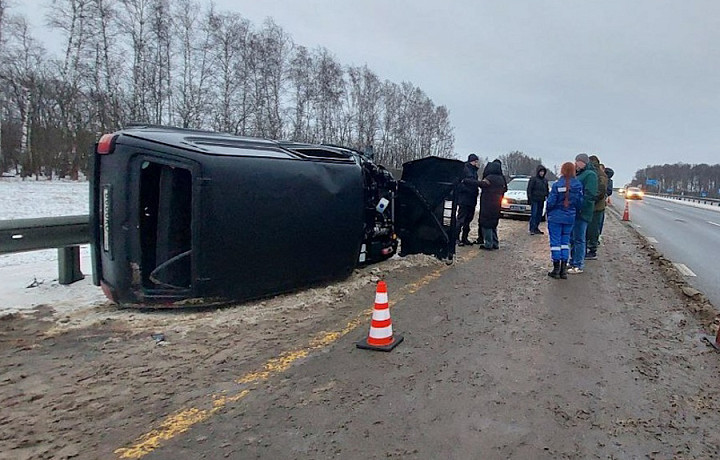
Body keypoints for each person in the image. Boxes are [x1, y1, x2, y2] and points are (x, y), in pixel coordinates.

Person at [546, 162, 583, 279]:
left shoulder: (557, 185)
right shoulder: (577, 185)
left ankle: (556, 269)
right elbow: (580, 202)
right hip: (569, 217)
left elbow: (551, 201)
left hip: (556, 217)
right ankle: (563, 270)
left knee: (555, 243)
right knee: (565, 242)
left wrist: (549, 210)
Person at [568, 153, 598, 274]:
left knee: (579, 238)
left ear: (583, 162)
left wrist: (581, 206)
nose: (575, 164)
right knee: (573, 238)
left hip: (582, 212)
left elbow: (590, 194)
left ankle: (578, 264)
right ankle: (573, 261)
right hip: (575, 211)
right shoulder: (580, 174)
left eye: (577, 161)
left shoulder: (590, 175)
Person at [476, 159, 507, 250]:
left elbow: (481, 184)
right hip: (497, 203)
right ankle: (495, 243)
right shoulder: (502, 178)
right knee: (493, 224)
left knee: (486, 224)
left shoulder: (490, 178)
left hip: (487, 203)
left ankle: (488, 244)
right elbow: (505, 189)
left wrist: (468, 181)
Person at [585, 155, 608, 260]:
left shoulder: (600, 175)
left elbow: (601, 192)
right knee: (588, 229)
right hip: (591, 206)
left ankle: (592, 249)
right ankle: (587, 247)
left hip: (596, 207)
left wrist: (591, 199)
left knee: (593, 229)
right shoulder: (593, 173)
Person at [456, 154, 481, 246]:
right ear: (471, 161)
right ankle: (456, 238)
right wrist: (469, 189)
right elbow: (462, 183)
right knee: (461, 219)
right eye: (475, 161)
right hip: (465, 199)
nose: (476, 163)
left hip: (471, 199)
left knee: (468, 220)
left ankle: (464, 238)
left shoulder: (474, 171)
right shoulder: (465, 170)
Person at [527, 164, 549, 235]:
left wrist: (548, 196)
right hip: (534, 199)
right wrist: (529, 199)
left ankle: (536, 228)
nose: (542, 173)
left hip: (541, 199)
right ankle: (532, 229)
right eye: (540, 172)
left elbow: (547, 190)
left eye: (543, 172)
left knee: (539, 215)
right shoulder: (533, 179)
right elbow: (529, 189)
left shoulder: (545, 180)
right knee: (534, 214)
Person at [599, 167, 614, 236]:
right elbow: (609, 191)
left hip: (599, 203)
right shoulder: (609, 181)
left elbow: (608, 191)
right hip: (602, 203)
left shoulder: (603, 179)